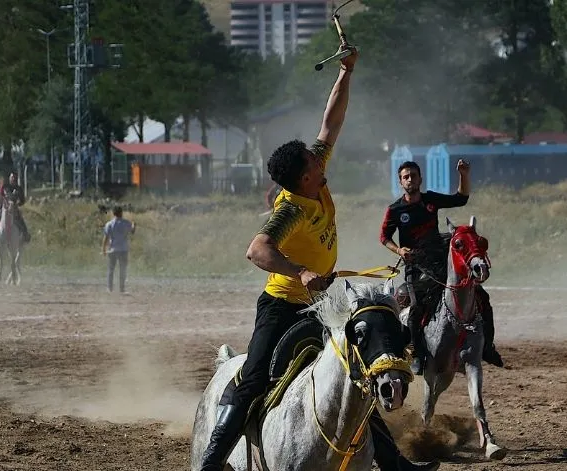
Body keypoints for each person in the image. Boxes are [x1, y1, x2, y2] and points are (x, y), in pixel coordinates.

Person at [198, 45, 439, 471]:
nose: (321, 156)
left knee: (355, 373)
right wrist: (301, 271)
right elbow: (257, 250)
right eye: (314, 160)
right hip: (280, 307)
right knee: (252, 380)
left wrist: (346, 72)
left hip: (319, 306)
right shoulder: (291, 209)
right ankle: (211, 462)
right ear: (302, 177)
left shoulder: (314, 178)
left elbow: (331, 123)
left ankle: (393, 462)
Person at [379, 160, 503, 375]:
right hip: (416, 266)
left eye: (414, 176)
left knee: (482, 297)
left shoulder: (431, 200)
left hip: (441, 261)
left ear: (420, 179)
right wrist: (399, 250)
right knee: (417, 308)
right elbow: (384, 237)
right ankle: (418, 354)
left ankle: (488, 347)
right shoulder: (395, 210)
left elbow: (461, 199)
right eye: (406, 177)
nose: (410, 180)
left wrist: (464, 174)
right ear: (400, 181)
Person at [0, 172, 31, 248]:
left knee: (20, 220)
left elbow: (22, 200)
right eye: (12, 177)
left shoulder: (19, 188)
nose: (13, 179)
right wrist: (3, 202)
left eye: (14, 178)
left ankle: (25, 235)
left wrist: (18, 203)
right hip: (4, 207)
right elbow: (0, 195)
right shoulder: (5, 187)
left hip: (14, 209)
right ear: (9, 178)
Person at [102, 206, 135, 293]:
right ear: (121, 213)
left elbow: (106, 238)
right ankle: (122, 288)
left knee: (111, 270)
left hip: (112, 249)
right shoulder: (126, 223)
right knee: (122, 270)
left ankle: (110, 288)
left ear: (113, 213)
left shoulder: (109, 224)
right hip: (123, 249)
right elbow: (132, 231)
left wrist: (103, 249)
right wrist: (134, 225)